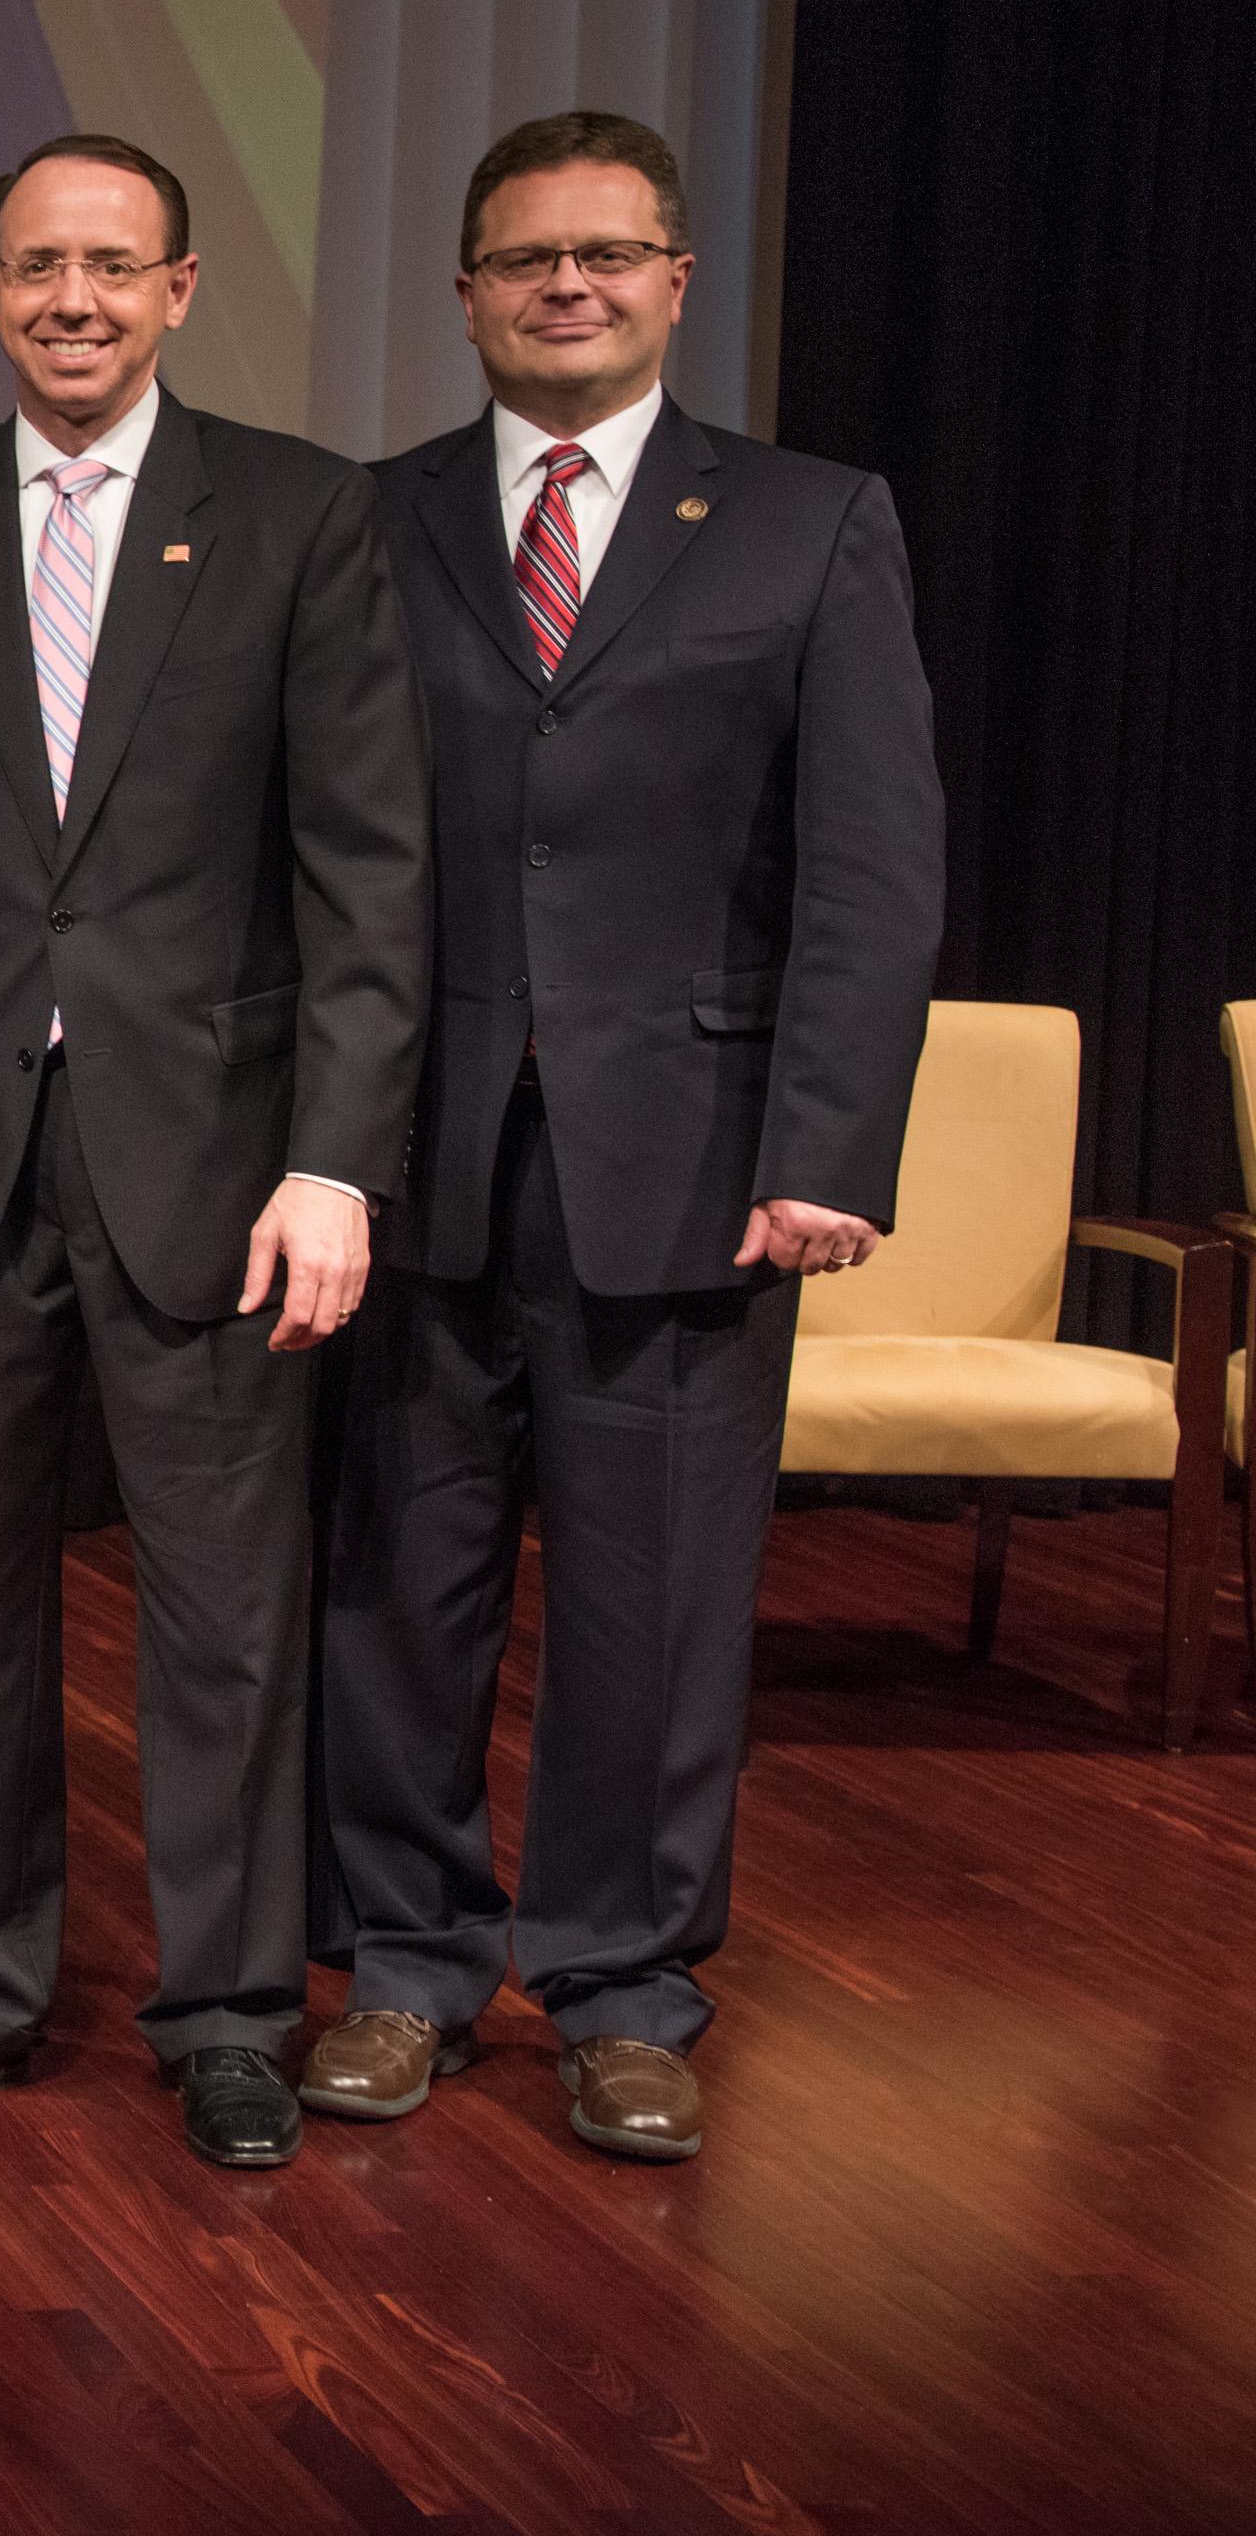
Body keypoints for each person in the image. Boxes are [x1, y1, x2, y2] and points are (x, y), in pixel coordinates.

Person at [304, 113, 940, 2160]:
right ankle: (402, 1968)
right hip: (413, 1157)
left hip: (687, 1159)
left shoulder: (807, 519)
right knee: (399, 1593)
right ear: (465, 294)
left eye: (603, 254)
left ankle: (619, 1986)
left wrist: (825, 1139)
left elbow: (865, 863)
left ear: (673, 279)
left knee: (656, 1607)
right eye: (520, 261)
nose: (561, 287)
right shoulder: (366, 523)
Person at [0, 133, 436, 2170]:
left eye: (114, 268)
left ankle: (230, 2012)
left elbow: (364, 871)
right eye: (36, 269)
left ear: (177, 290)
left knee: (224, 1615)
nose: (73, 302)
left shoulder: (297, 514)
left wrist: (336, 1156)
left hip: (227, 1172)